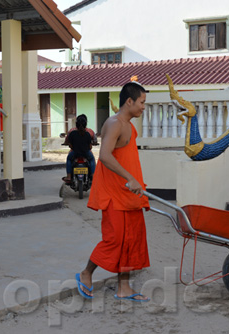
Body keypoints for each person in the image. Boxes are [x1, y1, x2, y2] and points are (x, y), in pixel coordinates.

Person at [76, 81, 150, 301]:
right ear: (130, 101)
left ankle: (124, 287)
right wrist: (130, 178)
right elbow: (105, 155)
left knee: (132, 240)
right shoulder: (115, 123)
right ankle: (86, 273)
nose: (143, 107)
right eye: (142, 103)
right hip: (115, 194)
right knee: (114, 240)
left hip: (130, 194)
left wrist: (137, 182)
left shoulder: (130, 125)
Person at [62, 114, 97, 184]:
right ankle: (93, 176)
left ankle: (69, 176)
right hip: (86, 153)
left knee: (69, 159)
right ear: (86, 123)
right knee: (92, 159)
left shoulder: (72, 132)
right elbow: (90, 146)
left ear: (76, 123)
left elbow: (70, 144)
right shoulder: (89, 133)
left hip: (75, 153)